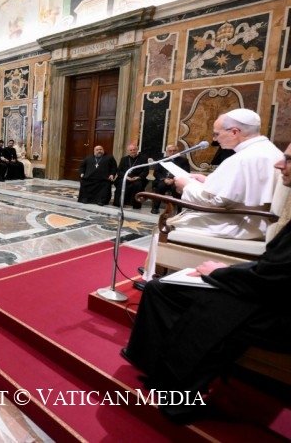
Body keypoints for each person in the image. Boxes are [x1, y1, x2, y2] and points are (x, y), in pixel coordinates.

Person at [122, 142, 291, 424]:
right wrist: (228, 270)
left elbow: (272, 279)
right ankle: (155, 367)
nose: (278, 164)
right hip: (268, 289)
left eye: (287, 160)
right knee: (159, 288)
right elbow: (277, 269)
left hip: (278, 310)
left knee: (208, 308)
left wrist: (218, 273)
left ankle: (180, 398)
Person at [142, 109, 284, 281]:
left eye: (217, 134)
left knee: (164, 226)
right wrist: (206, 180)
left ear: (235, 132)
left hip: (240, 223)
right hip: (257, 220)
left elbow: (214, 200)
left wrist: (186, 186)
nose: (215, 139)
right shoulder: (270, 150)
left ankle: (157, 277)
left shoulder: (242, 158)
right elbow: (236, 189)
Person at [150, 144, 191, 214]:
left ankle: (178, 209)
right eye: (170, 151)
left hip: (176, 180)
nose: (172, 152)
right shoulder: (161, 160)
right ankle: (155, 207)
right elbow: (156, 173)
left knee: (176, 188)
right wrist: (164, 179)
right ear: (167, 152)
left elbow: (186, 173)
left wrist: (174, 180)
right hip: (164, 180)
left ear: (177, 151)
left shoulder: (183, 161)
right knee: (160, 186)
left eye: (174, 151)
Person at [113, 143, 149, 210]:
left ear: (137, 150)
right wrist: (126, 177)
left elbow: (145, 171)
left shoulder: (143, 159)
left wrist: (138, 177)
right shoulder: (124, 159)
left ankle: (136, 205)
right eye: (131, 150)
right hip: (125, 177)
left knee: (138, 184)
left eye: (134, 150)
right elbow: (119, 171)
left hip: (137, 178)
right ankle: (119, 203)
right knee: (121, 183)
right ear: (128, 151)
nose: (132, 151)